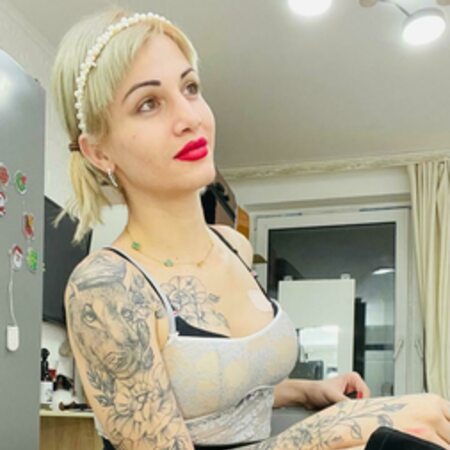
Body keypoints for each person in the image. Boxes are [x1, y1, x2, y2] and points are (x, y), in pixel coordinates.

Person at [51, 8, 450, 450]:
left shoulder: (232, 246)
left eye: (190, 88)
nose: (190, 117)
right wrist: (339, 426)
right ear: (99, 152)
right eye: (148, 103)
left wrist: (307, 392)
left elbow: (217, 396)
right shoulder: (106, 288)